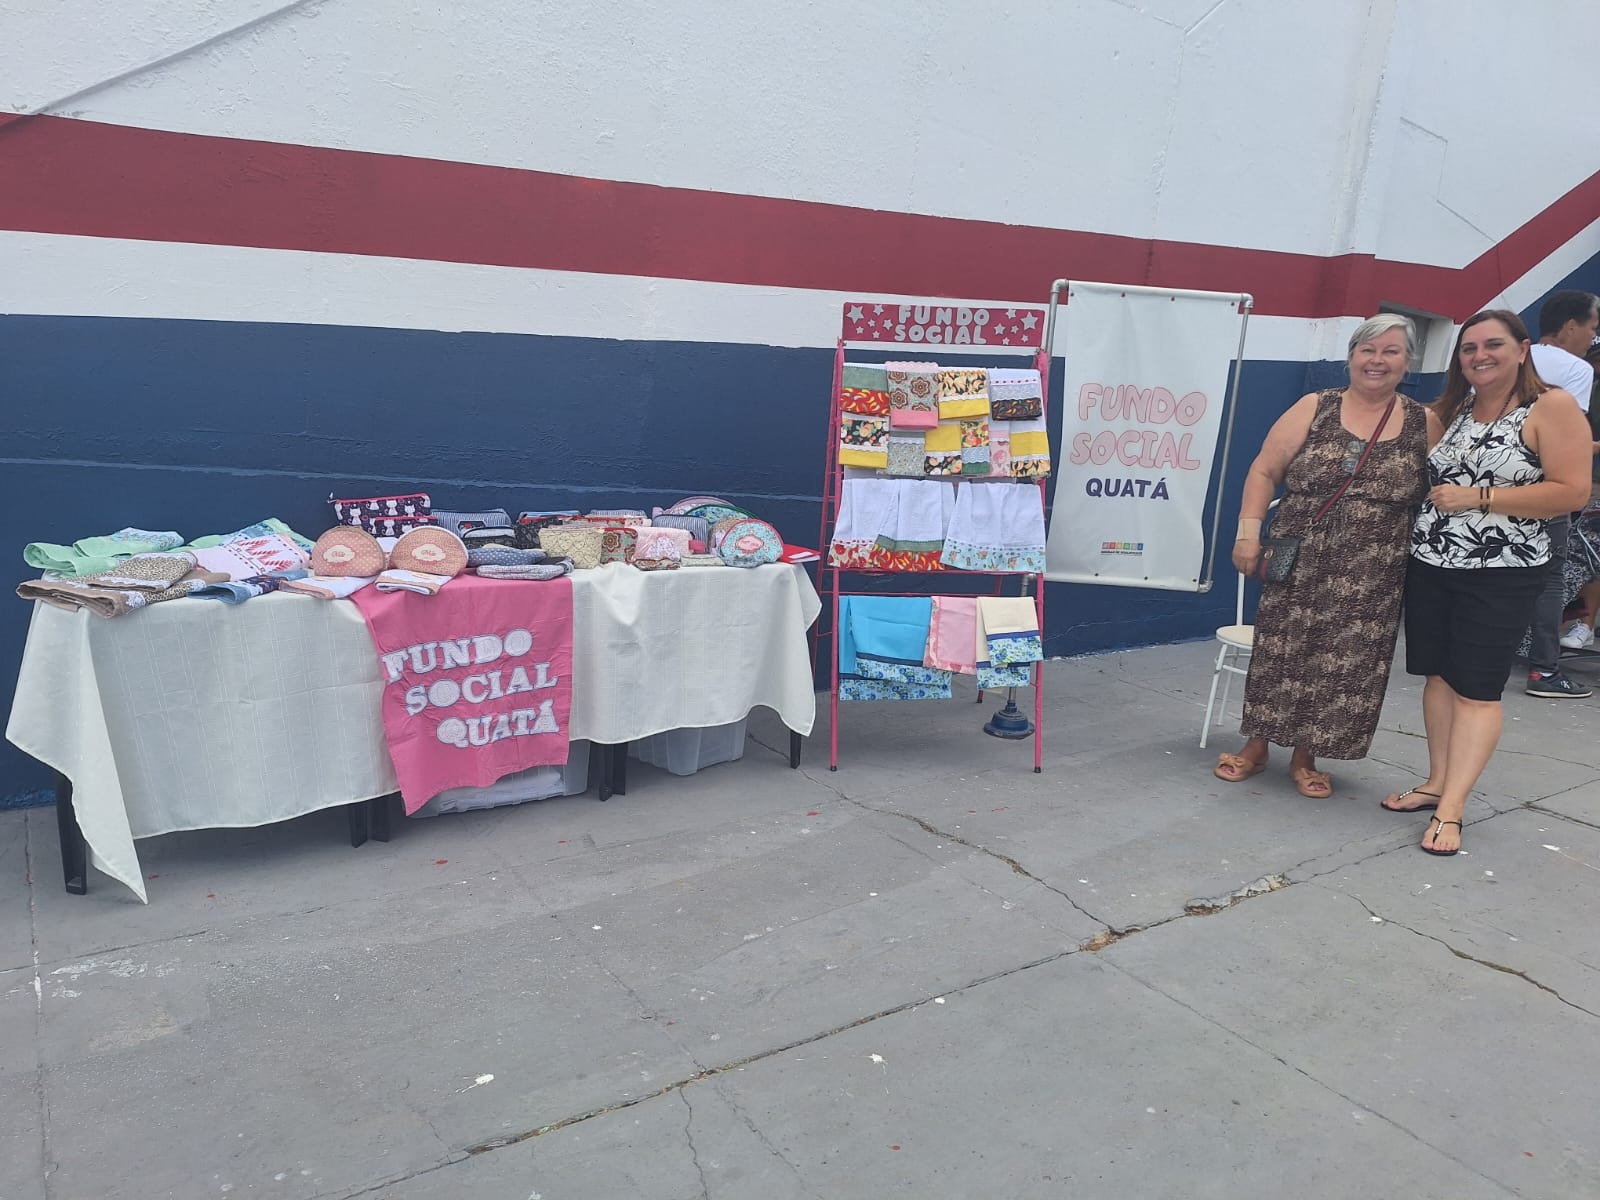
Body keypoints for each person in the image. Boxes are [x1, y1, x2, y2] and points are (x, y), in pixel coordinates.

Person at [1383, 309, 1592, 855]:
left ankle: (1452, 810)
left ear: (1522, 349)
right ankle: (1435, 783)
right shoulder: (1453, 409)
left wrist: (1480, 497)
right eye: (1469, 347)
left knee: (1476, 689)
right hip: (1432, 562)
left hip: (1503, 572)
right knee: (1436, 678)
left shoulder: (1552, 407)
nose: (1480, 355)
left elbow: (1572, 492)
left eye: (1493, 344)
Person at [1216, 314, 1441, 797]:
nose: (1377, 361)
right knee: (1280, 648)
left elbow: (1442, 491)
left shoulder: (1426, 422)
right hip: (1300, 553)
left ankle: (1306, 755)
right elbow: (1263, 471)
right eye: (1368, 350)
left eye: (1391, 351)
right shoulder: (1314, 406)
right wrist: (1247, 535)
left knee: (1347, 662)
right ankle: (1257, 745)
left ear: (1408, 362)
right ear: (1352, 357)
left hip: (1376, 568)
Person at [1523, 291, 1598, 697]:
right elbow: (1567, 440)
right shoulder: (1576, 369)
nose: (1592, 336)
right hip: (1543, 487)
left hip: (1492, 480)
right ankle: (1544, 671)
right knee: (1548, 575)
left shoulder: (1516, 357)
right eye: (1591, 327)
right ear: (1571, 326)